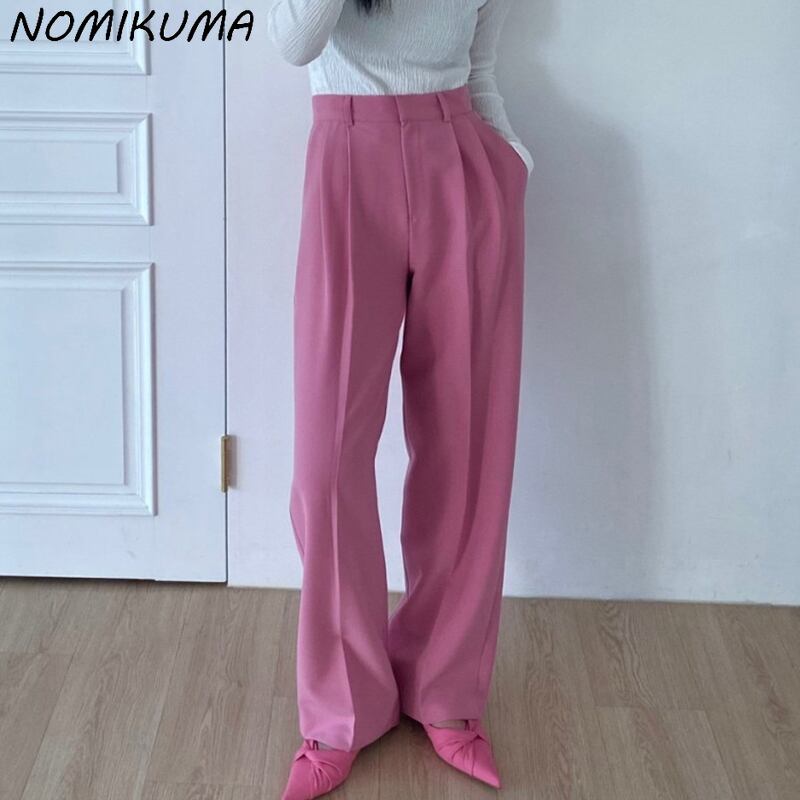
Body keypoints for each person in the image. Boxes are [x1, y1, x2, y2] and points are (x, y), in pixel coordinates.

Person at [266, 1, 533, 797]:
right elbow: (294, 42)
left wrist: (511, 164)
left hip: (462, 167)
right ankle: (341, 709)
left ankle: (446, 693)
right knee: (325, 461)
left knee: (466, 445)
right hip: (347, 161)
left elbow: (479, 70)